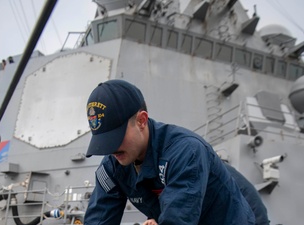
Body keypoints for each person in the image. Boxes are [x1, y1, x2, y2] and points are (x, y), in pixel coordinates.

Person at [83, 79, 255, 224]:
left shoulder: (185, 152)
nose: (111, 149)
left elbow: (177, 219)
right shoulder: (112, 168)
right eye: (105, 141)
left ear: (141, 121)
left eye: (116, 137)